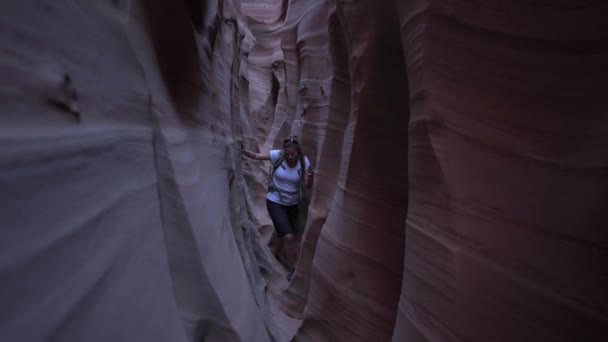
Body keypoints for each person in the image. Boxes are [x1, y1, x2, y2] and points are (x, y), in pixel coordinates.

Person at [241, 136, 313, 261]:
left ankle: (273, 253)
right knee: (288, 236)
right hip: (275, 201)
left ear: (298, 152)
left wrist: (310, 180)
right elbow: (257, 156)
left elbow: (306, 184)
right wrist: (246, 152)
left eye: (293, 154)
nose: (290, 157)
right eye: (287, 154)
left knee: (288, 234)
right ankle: (293, 269)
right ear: (284, 151)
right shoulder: (277, 155)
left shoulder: (304, 161)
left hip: (292, 204)